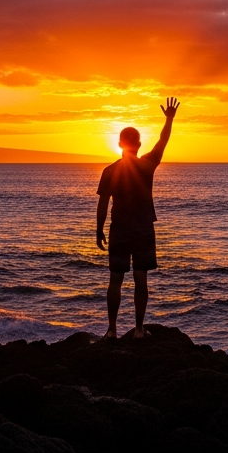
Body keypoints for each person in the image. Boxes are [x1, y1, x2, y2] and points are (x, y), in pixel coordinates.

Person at [95, 97, 179, 339]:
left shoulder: (110, 171)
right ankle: (139, 330)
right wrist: (169, 118)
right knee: (141, 278)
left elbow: (102, 203)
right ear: (139, 144)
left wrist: (98, 230)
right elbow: (163, 141)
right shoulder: (147, 165)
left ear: (119, 143)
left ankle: (112, 330)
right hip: (143, 228)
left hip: (119, 229)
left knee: (115, 280)